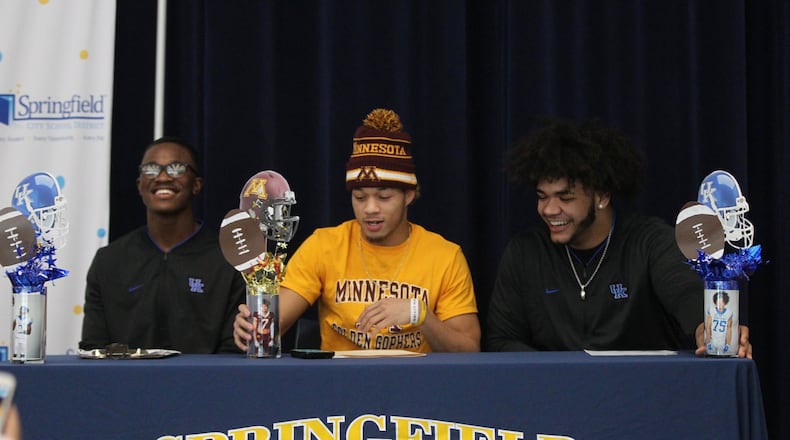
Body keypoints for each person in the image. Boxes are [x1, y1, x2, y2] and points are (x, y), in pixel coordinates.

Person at [486, 117, 752, 358]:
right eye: (542, 197)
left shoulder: (649, 241)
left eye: (565, 197)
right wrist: (556, 376)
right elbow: (501, 340)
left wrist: (706, 329)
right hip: (553, 401)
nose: (549, 210)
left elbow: (684, 291)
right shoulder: (525, 252)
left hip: (644, 399)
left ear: (602, 196)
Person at [233, 108, 480, 353]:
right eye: (360, 197)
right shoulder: (325, 246)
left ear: (409, 195)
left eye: (384, 197)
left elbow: (469, 351)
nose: (370, 208)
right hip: (339, 384)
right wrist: (255, 328)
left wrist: (421, 314)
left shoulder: (445, 256)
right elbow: (272, 325)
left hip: (414, 385)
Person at [80, 137, 245, 353]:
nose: (163, 177)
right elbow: (93, 349)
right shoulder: (109, 260)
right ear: (140, 185)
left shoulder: (228, 258)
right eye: (151, 169)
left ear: (196, 185)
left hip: (204, 384)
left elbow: (234, 352)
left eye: (176, 168)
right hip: (124, 385)